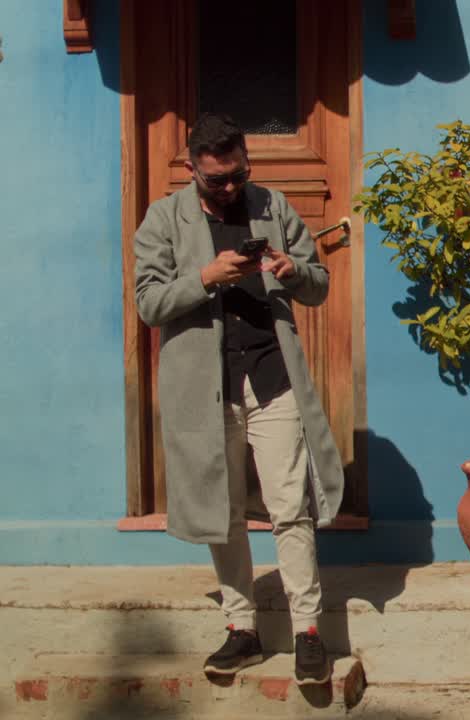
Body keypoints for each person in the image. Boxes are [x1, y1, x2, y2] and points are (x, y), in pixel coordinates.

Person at [133, 113, 345, 685]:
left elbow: (320, 283)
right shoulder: (164, 219)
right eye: (216, 180)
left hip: (273, 380)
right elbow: (148, 304)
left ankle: (307, 632)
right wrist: (207, 276)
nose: (229, 189)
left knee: (289, 509)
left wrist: (290, 267)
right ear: (191, 170)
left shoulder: (272, 207)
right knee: (222, 514)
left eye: (237, 175)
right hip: (206, 392)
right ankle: (241, 630)